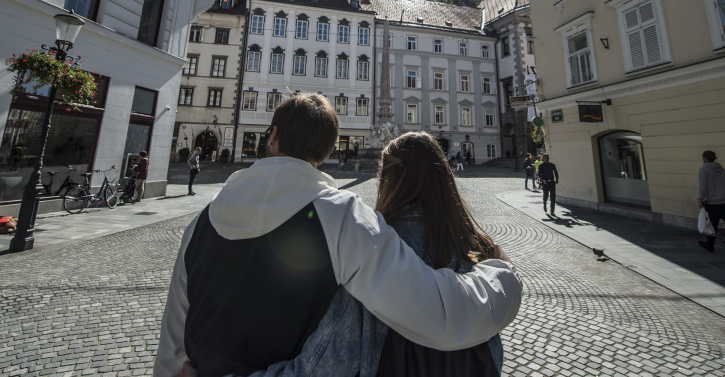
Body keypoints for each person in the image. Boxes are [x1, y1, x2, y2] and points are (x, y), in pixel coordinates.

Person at [154, 94, 521, 377]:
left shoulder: (201, 221)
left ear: (274, 137)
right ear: (328, 150)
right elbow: (441, 314)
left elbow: (172, 344)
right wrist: (500, 275)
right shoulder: (343, 217)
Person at [240, 131, 506, 376]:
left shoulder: (373, 246)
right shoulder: (480, 250)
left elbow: (324, 364)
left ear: (388, 179)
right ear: (444, 177)